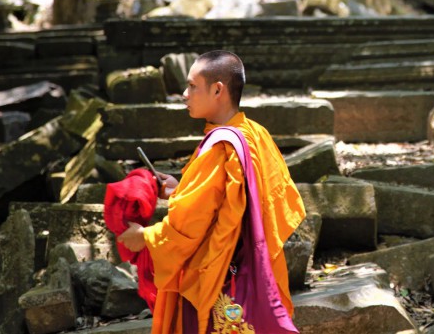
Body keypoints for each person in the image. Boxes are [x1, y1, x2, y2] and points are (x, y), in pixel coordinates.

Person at [117, 50, 306, 333]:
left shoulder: (220, 146)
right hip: (251, 270)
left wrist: (146, 237)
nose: (184, 93)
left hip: (217, 278)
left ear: (218, 90)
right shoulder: (255, 133)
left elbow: (190, 223)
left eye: (192, 86)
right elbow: (263, 203)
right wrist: (183, 189)